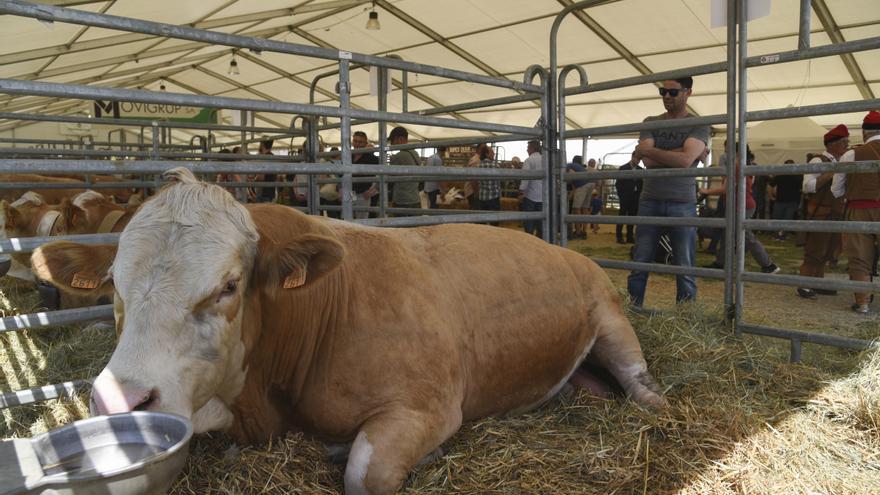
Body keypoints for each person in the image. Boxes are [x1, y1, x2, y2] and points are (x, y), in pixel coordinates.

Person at [626, 77, 710, 308]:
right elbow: (650, 162)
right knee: (640, 261)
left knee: (685, 264)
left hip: (682, 201)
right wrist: (684, 154)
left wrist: (653, 151)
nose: (666, 96)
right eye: (663, 91)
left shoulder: (699, 123)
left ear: (688, 92)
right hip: (650, 199)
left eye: (673, 92)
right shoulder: (650, 121)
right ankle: (633, 310)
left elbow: (683, 161)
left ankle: (686, 317)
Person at [699, 144, 780, 274]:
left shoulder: (736, 167)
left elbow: (726, 189)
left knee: (746, 236)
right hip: (738, 205)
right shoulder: (744, 166)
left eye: (727, 151)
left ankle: (768, 264)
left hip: (741, 206)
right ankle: (720, 262)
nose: (725, 154)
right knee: (728, 234)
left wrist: (707, 191)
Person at [831, 111, 880, 313]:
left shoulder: (852, 154)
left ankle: (863, 303)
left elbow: (836, 190)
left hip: (860, 210)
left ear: (863, 133)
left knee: (860, 258)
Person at [797, 125, 849, 299]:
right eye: (843, 142)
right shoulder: (818, 161)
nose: (846, 145)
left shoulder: (839, 161)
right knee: (814, 250)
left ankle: (817, 283)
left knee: (827, 250)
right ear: (832, 144)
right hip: (820, 212)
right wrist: (830, 173)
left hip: (834, 212)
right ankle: (804, 285)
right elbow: (807, 186)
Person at [388, 126, 422, 213]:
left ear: (399, 139)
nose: (392, 144)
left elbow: (388, 176)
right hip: (415, 199)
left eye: (392, 141)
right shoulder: (415, 153)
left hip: (402, 200)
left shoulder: (400, 156)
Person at [769, 162, 803, 241]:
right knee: (786, 219)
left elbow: (770, 186)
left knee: (780, 219)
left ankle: (779, 235)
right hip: (789, 201)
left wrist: (771, 196)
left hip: (783, 201)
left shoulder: (781, 175)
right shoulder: (798, 176)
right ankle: (781, 235)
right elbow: (802, 190)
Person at [350, 131, 380, 219]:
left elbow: (383, 173)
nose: (357, 144)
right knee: (347, 219)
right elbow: (341, 174)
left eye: (360, 142)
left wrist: (375, 189)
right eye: (355, 141)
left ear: (365, 143)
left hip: (363, 194)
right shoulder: (348, 156)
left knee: (361, 220)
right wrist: (340, 188)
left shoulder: (372, 159)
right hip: (350, 192)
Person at [615, 153, 642, 244]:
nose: (638, 161)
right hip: (625, 196)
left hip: (635, 197)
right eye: (637, 159)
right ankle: (619, 236)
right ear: (633, 157)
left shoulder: (640, 170)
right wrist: (621, 195)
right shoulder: (623, 168)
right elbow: (618, 184)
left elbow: (641, 184)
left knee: (632, 217)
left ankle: (629, 236)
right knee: (622, 216)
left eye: (639, 159)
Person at [519, 140, 543, 237]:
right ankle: (541, 242)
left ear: (533, 148)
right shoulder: (545, 159)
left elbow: (525, 177)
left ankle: (529, 239)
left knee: (529, 222)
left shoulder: (529, 160)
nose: (527, 150)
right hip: (543, 196)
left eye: (528, 148)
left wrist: (521, 192)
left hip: (530, 196)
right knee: (541, 222)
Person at [474, 145, 501, 225]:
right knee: (494, 222)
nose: (494, 154)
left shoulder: (478, 166)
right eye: (492, 152)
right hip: (494, 197)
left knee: (483, 221)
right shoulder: (496, 166)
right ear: (486, 154)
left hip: (482, 197)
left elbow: (476, 182)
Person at [566, 155, 589, 239]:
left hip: (581, 185)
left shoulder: (570, 165)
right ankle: (584, 231)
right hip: (589, 184)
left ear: (573, 160)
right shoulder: (582, 168)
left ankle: (578, 232)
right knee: (585, 208)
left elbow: (565, 169)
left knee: (576, 208)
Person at [256, 139, 277, 203]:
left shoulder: (265, 158)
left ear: (262, 144)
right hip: (271, 191)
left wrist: (256, 178)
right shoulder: (273, 157)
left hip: (264, 192)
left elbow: (261, 177)